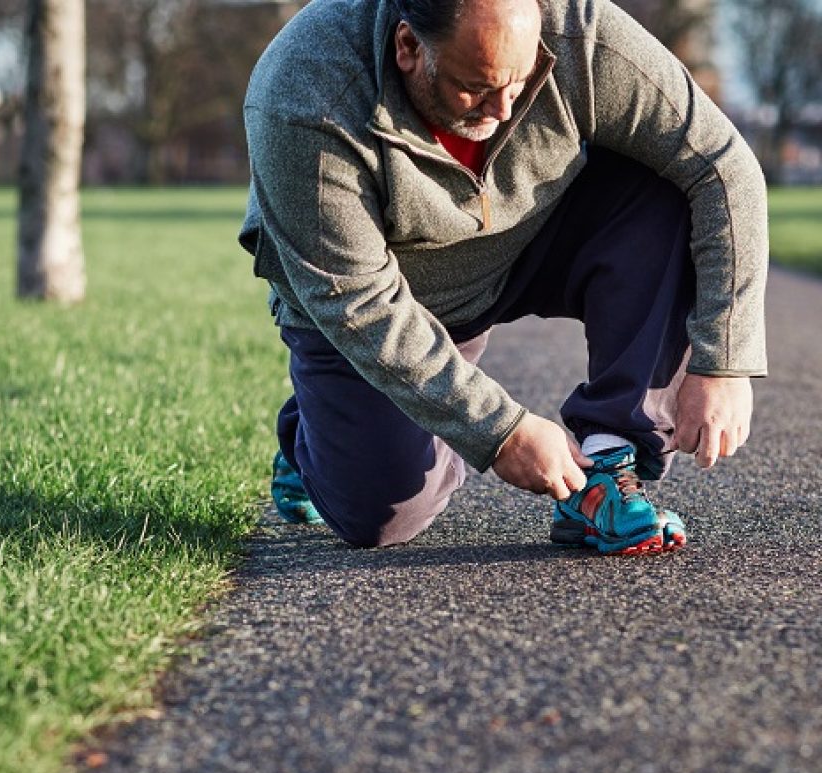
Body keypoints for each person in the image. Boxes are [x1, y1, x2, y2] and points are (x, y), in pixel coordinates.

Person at [239, 0, 767, 554]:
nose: (503, 109)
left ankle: (611, 460)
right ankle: (315, 439)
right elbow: (358, 303)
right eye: (476, 87)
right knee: (382, 515)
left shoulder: (577, 32)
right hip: (381, 300)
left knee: (664, 186)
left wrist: (724, 359)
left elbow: (722, 166)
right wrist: (501, 431)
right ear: (409, 46)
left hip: (525, 245)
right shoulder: (305, 95)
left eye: (521, 81)